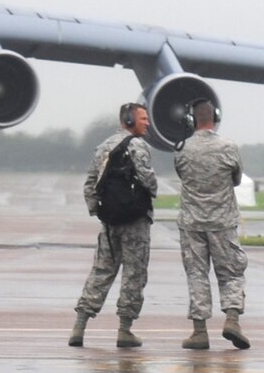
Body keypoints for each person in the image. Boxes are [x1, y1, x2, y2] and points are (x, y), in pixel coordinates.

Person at [71, 102, 157, 349]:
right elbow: (147, 179)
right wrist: (151, 193)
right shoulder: (139, 146)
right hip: (135, 222)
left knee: (101, 270)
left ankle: (80, 325)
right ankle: (125, 329)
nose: (147, 123)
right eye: (143, 119)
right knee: (134, 273)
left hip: (109, 222)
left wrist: (98, 210)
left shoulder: (103, 147)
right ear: (129, 121)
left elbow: (90, 183)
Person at [172, 98, 249, 350]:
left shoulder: (182, 148)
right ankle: (232, 319)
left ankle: (199, 331)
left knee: (197, 274)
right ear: (215, 117)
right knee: (231, 273)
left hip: (192, 222)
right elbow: (236, 179)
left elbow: (181, 174)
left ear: (192, 120)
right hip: (223, 222)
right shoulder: (228, 147)